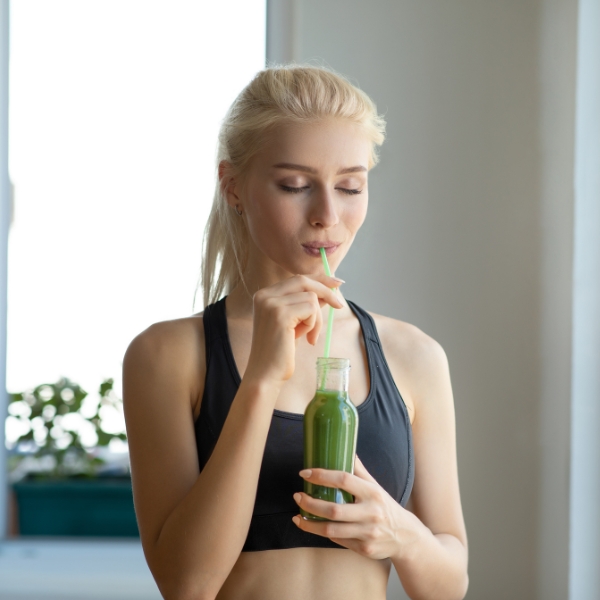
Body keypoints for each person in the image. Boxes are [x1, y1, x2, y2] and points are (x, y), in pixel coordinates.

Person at [123, 65, 468, 600]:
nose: (327, 215)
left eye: (350, 186)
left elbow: (448, 585)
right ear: (233, 186)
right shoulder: (167, 354)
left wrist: (400, 533)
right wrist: (260, 379)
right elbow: (185, 585)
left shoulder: (413, 355)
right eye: (295, 186)